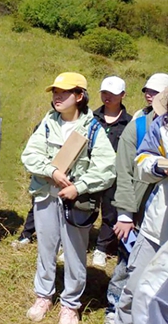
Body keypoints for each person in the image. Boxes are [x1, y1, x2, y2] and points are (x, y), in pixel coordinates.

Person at [22, 72, 116, 324]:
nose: (57, 96)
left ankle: (70, 305)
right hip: (45, 196)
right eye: (55, 92)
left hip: (76, 202)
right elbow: (30, 155)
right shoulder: (47, 122)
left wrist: (80, 186)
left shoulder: (94, 128)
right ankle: (43, 296)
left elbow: (107, 168)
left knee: (74, 253)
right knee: (46, 249)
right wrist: (51, 170)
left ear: (79, 96)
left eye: (64, 92)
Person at [106, 74, 168, 324]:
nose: (149, 96)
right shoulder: (152, 124)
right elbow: (133, 165)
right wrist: (158, 167)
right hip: (153, 224)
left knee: (155, 295)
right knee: (133, 284)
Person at [91, 76, 131, 268]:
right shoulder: (91, 118)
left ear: (122, 95)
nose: (108, 97)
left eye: (113, 94)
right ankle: (77, 244)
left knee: (110, 213)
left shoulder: (129, 123)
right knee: (86, 208)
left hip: (114, 175)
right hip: (91, 172)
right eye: (104, 93)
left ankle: (101, 248)